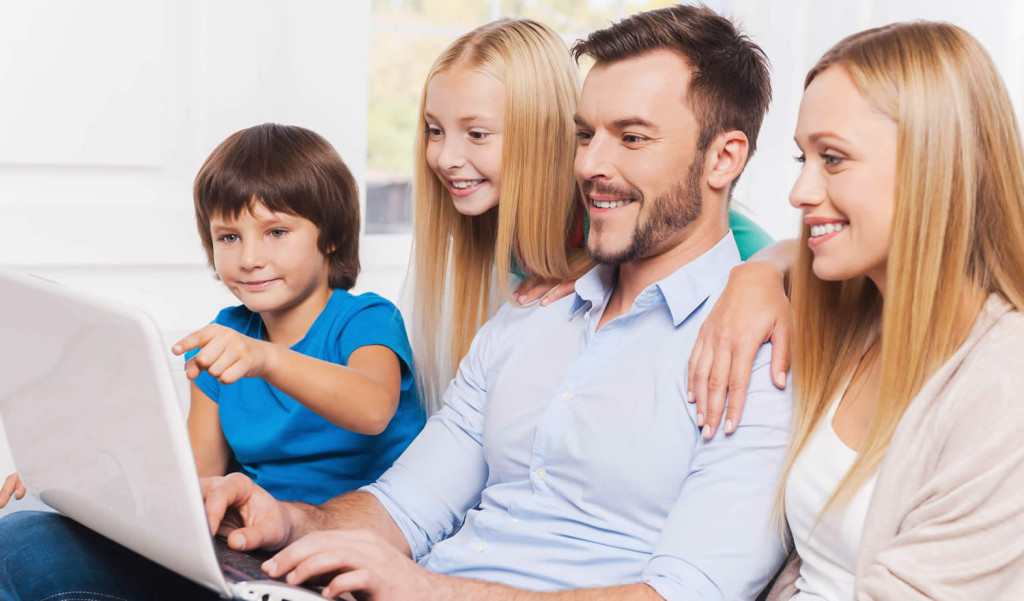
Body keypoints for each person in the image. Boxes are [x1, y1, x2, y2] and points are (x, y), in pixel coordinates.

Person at [0, 6, 790, 600]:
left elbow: (689, 594)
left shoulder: (760, 346)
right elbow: (401, 506)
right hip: (398, 586)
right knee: (30, 545)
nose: (590, 164)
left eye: (633, 137)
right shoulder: (529, 316)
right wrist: (287, 520)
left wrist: (422, 587)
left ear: (726, 158)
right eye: (585, 135)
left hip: (439, 591)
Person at [0, 124, 427, 509]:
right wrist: (79, 481)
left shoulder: (367, 318)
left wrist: (266, 359)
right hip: (256, 543)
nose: (250, 258)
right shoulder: (227, 334)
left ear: (331, 235)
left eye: (276, 232)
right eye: (228, 236)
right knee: (24, 535)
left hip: (362, 537)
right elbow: (198, 476)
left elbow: (373, 409)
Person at [758, 21, 1024, 599]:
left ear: (936, 164)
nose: (799, 191)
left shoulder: (1006, 383)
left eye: (832, 158)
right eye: (802, 156)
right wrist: (753, 273)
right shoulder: (855, 319)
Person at [408, 17, 775, 411]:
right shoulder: (486, 219)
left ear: (540, 133)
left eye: (477, 134)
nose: (446, 159)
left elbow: (753, 245)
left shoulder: (607, 205)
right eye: (434, 130)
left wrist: (764, 273)